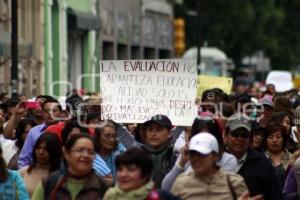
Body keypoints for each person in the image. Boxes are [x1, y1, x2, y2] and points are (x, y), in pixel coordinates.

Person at [162, 115, 238, 191]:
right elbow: (166, 187)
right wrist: (181, 164)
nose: (203, 141)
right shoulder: (187, 156)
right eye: (199, 137)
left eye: (207, 137)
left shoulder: (228, 160)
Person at [171, 132, 248, 200]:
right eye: (192, 154)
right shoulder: (181, 183)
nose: (196, 158)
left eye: (202, 154)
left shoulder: (234, 183)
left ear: (215, 155)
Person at [31, 133, 107, 200]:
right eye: (80, 150)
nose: (85, 155)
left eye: (91, 152)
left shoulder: (101, 187)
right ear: (66, 154)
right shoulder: (50, 183)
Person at [224, 114, 281, 199]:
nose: (239, 139)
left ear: (250, 138)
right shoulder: (214, 160)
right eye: (235, 134)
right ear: (225, 135)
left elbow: (276, 195)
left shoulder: (262, 163)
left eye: (244, 135)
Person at [104, 147, 180, 200]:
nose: (123, 175)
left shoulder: (161, 197)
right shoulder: (110, 196)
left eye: (130, 170)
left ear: (145, 175)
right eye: (120, 170)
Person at [18, 98, 62, 168]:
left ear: (60, 113)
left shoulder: (65, 129)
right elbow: (24, 159)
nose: (50, 114)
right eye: (46, 111)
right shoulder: (33, 132)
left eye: (54, 111)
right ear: (42, 113)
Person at [142, 114, 177, 188]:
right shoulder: (139, 155)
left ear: (169, 133)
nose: (153, 134)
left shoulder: (176, 157)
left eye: (158, 129)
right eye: (150, 129)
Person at [263, 123, 292, 192]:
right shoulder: (260, 158)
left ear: (284, 139)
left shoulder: (292, 158)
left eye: (278, 137)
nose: (274, 140)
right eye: (270, 137)